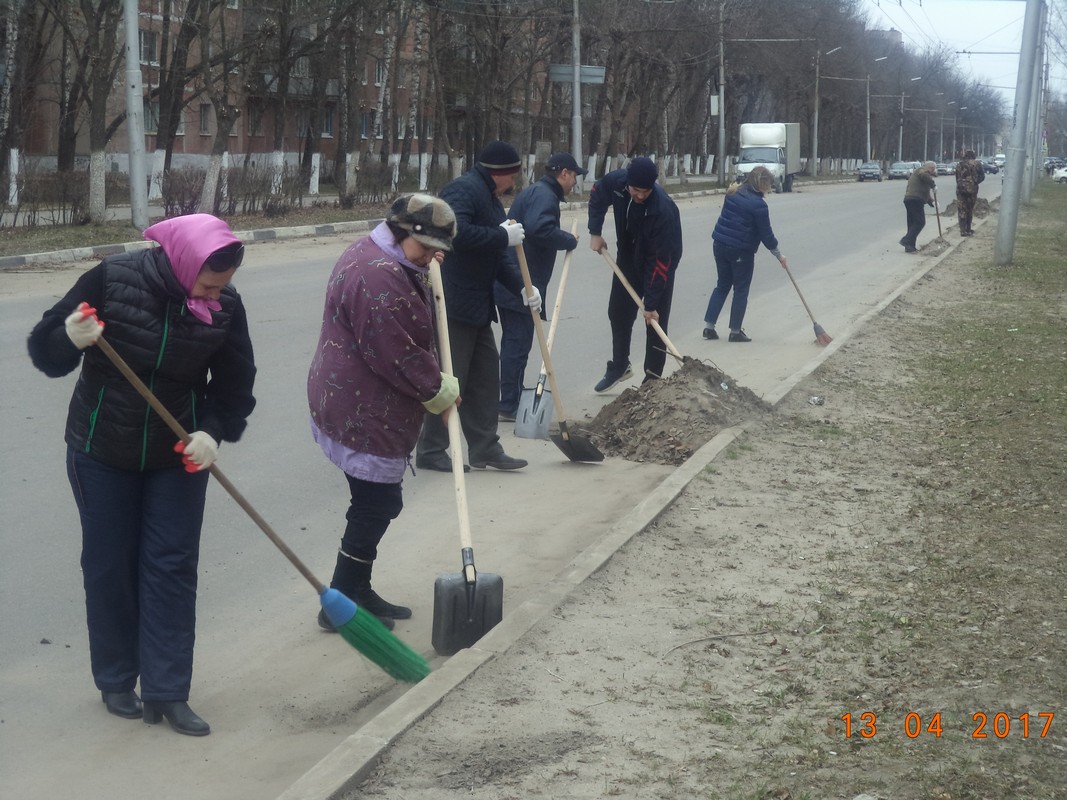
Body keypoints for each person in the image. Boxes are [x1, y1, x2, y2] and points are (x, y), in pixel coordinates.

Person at [27, 213, 257, 737]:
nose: (214, 294)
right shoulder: (110, 280)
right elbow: (45, 351)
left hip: (178, 454)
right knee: (111, 564)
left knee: (172, 566)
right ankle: (114, 678)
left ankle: (168, 691)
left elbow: (236, 384)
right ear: (181, 261)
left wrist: (214, 433)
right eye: (207, 283)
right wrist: (71, 335)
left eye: (221, 286)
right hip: (101, 449)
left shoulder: (225, 305)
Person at [308, 193, 461, 632]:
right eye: (428, 246)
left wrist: (423, 270)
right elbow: (399, 355)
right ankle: (339, 601)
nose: (435, 256)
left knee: (371, 502)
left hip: (352, 393)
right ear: (402, 232)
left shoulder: (379, 254)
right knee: (376, 503)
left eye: (440, 250)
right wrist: (440, 391)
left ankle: (357, 589)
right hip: (362, 405)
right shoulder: (378, 280)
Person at [415, 140, 542, 472]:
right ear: (500, 174)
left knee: (485, 377)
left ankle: (485, 447)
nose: (514, 182)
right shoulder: (463, 190)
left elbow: (497, 257)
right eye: (512, 175)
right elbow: (454, 234)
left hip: (478, 305)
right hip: (453, 303)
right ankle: (430, 450)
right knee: (448, 379)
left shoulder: (489, 198)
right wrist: (501, 236)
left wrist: (523, 289)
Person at [495, 152, 583, 421]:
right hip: (521, 280)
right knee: (517, 343)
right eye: (574, 177)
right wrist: (569, 240)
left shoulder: (537, 191)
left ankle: (511, 396)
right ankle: (508, 404)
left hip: (514, 278)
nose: (574, 183)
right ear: (564, 173)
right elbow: (539, 229)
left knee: (515, 342)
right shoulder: (545, 195)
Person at [587, 156, 683, 390]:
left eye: (645, 191)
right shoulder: (617, 184)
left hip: (660, 262)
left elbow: (660, 262)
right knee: (618, 312)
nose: (639, 195)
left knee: (655, 321)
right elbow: (597, 194)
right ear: (627, 183)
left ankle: (652, 379)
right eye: (635, 190)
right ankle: (620, 365)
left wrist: (650, 304)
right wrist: (595, 231)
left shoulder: (663, 210)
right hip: (628, 257)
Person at [702, 166, 787, 342]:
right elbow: (766, 234)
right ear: (762, 183)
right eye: (768, 184)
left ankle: (709, 328)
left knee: (722, 285)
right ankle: (735, 332)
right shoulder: (758, 205)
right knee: (741, 289)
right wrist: (779, 255)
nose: (769, 188)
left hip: (719, 244)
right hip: (740, 250)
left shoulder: (733, 192)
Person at [900, 160, 937, 253]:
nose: (933, 172)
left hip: (910, 199)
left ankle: (910, 247)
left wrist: (932, 202)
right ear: (930, 168)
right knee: (920, 222)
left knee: (912, 223)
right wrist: (933, 185)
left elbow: (925, 193)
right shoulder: (921, 171)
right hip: (915, 200)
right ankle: (906, 240)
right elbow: (925, 176)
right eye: (933, 169)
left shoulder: (923, 176)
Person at [954, 150, 985, 236]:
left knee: (961, 210)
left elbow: (957, 177)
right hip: (972, 191)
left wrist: (961, 184)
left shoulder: (959, 165)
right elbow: (982, 176)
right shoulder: (977, 164)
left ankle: (962, 230)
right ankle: (968, 229)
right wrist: (975, 182)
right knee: (969, 209)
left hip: (961, 191)